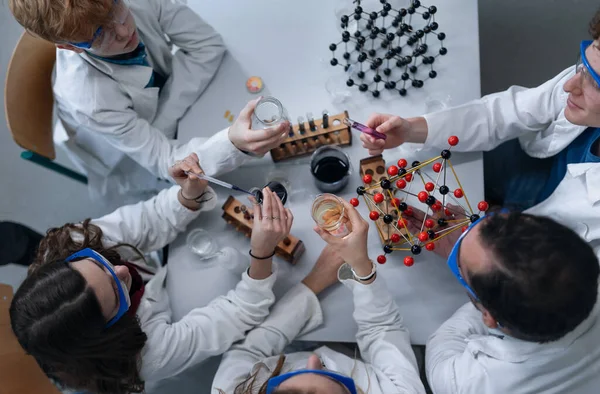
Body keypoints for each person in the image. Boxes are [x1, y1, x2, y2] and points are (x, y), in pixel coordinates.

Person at [9, 154, 293, 394]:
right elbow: (239, 312)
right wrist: (262, 252)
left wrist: (187, 196)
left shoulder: (73, 243)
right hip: (178, 306)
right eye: (117, 290)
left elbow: (150, 220)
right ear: (111, 328)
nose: (121, 268)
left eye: (98, 262)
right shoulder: (146, 355)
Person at [360, 10, 600, 250]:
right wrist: (410, 129)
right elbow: (501, 114)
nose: (570, 85)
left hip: (534, 241)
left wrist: (470, 251)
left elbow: (562, 278)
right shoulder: (588, 72)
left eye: (596, 83)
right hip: (519, 168)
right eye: (583, 64)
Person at [8, 0, 289, 201]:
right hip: (122, 157)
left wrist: (163, 120)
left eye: (115, 8)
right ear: (69, 47)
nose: (122, 30)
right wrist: (233, 144)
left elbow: (208, 45)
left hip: (156, 113)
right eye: (99, 33)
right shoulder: (88, 99)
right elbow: (167, 162)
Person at [212, 199, 426, 394]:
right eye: (332, 377)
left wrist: (314, 282)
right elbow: (383, 329)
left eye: (288, 382)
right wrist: (361, 268)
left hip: (287, 342)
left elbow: (248, 351)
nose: (314, 359)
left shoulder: (232, 389)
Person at [404, 208, 600, 393]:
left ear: (488, 317)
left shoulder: (466, 382)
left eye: (462, 269)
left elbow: (443, 341)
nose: (468, 230)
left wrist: (458, 255)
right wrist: (469, 257)